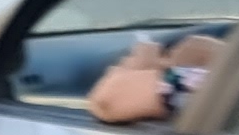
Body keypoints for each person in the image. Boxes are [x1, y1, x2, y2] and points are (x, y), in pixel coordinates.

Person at [88, 30, 223, 125]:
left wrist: (141, 63)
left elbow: (106, 103)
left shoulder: (190, 82)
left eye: (167, 56)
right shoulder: (227, 87)